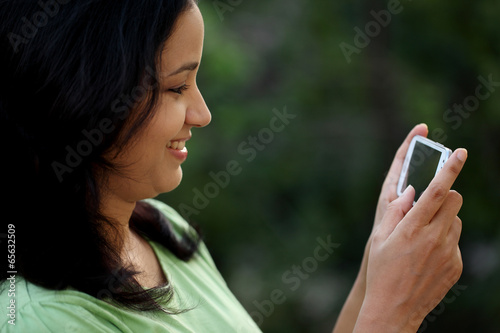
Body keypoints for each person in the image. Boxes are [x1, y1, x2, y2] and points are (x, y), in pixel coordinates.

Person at [0, 1, 467, 332]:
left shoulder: (160, 230)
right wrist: (396, 315)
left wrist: (376, 264)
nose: (202, 114)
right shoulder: (44, 320)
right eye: (177, 88)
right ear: (85, 97)